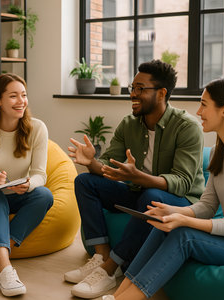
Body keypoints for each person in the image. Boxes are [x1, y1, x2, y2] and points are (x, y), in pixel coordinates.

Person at [102, 75, 224, 300]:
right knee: (163, 225)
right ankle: (118, 295)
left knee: (184, 234)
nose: (198, 112)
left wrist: (184, 220)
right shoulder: (219, 152)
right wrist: (171, 212)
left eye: (204, 105)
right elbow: (206, 206)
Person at [65, 60, 205, 299]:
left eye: (141, 88)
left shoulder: (186, 127)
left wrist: (139, 176)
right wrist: (92, 162)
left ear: (162, 93)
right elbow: (108, 168)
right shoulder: (129, 124)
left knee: (151, 197)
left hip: (181, 203)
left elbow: (182, 183)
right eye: (133, 87)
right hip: (140, 192)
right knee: (85, 182)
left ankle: (112, 270)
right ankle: (100, 257)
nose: (133, 93)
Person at [0, 73, 54, 297]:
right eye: (13, 96)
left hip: (17, 194)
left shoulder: (37, 128)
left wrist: (28, 184)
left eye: (23, 95)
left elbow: (40, 175)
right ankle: (5, 269)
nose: (21, 101)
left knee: (44, 195)